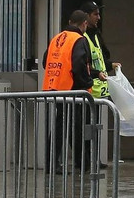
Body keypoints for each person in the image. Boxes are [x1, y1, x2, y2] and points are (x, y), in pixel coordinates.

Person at [42, 10, 103, 170]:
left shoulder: (57, 38)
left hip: (55, 87)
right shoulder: (79, 39)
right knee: (74, 127)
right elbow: (79, 65)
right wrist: (87, 82)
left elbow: (45, 61)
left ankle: (55, 162)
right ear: (84, 23)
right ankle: (79, 162)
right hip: (72, 88)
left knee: (61, 125)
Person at [80, 2, 120, 99]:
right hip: (88, 93)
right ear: (86, 16)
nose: (99, 18)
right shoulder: (82, 38)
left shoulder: (97, 35)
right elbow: (82, 65)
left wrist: (111, 65)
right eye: (95, 14)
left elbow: (100, 61)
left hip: (100, 92)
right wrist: (97, 73)